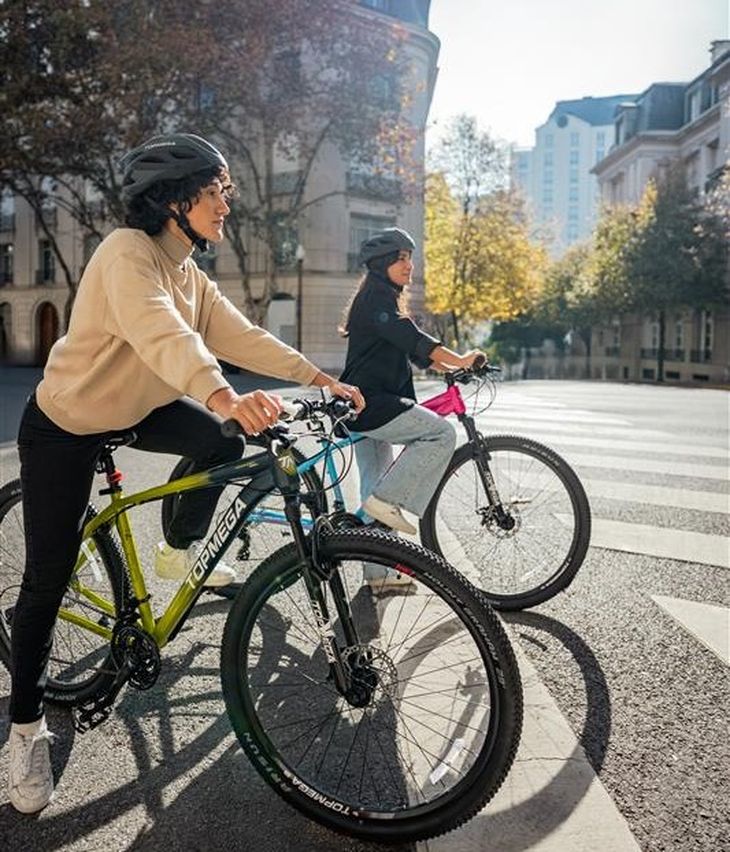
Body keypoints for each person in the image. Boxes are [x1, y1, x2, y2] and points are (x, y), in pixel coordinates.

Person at [5, 133, 363, 815]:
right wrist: (223, 394)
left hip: (140, 405)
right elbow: (165, 335)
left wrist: (318, 376)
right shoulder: (124, 255)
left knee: (221, 443)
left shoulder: (189, 271)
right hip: (67, 423)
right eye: (218, 189)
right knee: (45, 583)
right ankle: (24, 731)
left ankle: (174, 556)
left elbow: (237, 334)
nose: (228, 203)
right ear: (176, 201)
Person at [339, 227, 483, 584]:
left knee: (375, 480)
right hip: (372, 404)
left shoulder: (380, 299)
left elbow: (416, 352)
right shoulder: (376, 301)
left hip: (362, 404)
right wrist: (463, 359)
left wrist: (452, 366)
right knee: (439, 434)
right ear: (381, 263)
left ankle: (378, 573)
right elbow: (414, 339)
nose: (408, 265)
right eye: (400, 258)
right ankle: (386, 502)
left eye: (409, 258)